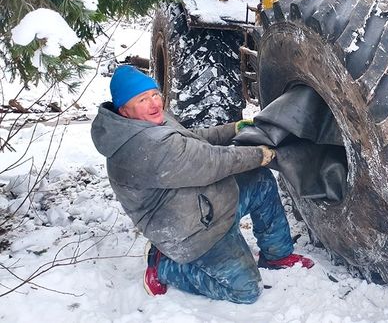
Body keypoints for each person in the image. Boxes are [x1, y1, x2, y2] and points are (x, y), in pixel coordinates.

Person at [91, 66, 313, 304]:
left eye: (155, 94)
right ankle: (163, 265)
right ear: (124, 110)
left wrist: (232, 130)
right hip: (190, 233)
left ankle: (276, 256)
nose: (155, 103)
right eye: (143, 99)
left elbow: (190, 139)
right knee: (246, 291)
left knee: (260, 180)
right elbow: (211, 162)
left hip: (204, 205)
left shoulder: (146, 121)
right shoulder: (143, 147)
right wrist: (259, 155)